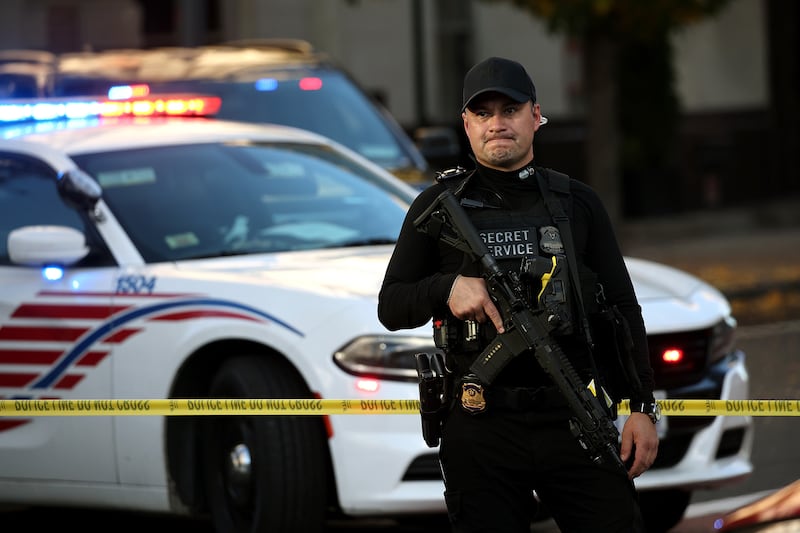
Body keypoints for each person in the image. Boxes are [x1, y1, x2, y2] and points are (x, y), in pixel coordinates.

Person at [378, 56, 659, 532]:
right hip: (480, 421)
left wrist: (641, 407)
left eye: (509, 110)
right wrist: (447, 287)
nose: (497, 124)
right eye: (483, 114)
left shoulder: (577, 203)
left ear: (536, 116)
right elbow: (391, 306)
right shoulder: (438, 207)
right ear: (466, 125)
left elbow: (622, 306)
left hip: (570, 414)